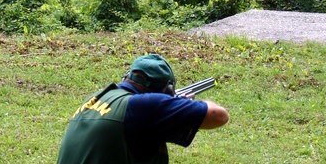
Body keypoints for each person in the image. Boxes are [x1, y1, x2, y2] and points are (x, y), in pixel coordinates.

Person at [56, 53, 229, 163]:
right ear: (167, 90)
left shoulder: (96, 98)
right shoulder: (143, 106)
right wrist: (186, 103)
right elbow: (218, 115)